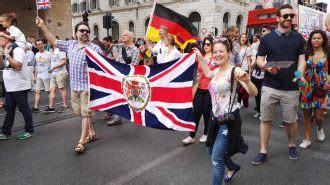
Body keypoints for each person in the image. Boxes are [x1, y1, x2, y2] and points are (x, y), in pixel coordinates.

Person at [193, 36, 257, 185]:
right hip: (215, 119)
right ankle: (233, 167)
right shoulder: (216, 71)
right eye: (215, 51)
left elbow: (253, 93)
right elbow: (208, 74)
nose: (217, 54)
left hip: (228, 120)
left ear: (228, 52)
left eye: (221, 51)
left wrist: (247, 80)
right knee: (210, 151)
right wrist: (202, 58)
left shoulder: (235, 71)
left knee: (216, 158)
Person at [36, 17, 102, 153]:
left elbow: (105, 65)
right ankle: (92, 132)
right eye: (82, 30)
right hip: (74, 86)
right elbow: (53, 41)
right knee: (80, 112)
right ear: (76, 33)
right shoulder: (70, 45)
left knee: (85, 114)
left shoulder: (94, 48)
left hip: (87, 88)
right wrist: (42, 26)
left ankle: (81, 141)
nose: (85, 33)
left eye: (87, 31)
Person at [251, 4, 306, 165]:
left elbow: (301, 60)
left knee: (291, 121)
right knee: (266, 120)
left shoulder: (298, 38)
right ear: (278, 18)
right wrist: (267, 67)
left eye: (291, 15)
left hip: (291, 87)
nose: (289, 18)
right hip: (270, 85)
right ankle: (263, 151)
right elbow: (259, 60)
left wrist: (299, 74)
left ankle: (291, 145)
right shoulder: (267, 39)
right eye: (285, 16)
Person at [0, 31, 34, 140]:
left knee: (24, 108)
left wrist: (6, 55)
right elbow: (3, 66)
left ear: (7, 39)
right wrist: (1, 56)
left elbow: (18, 66)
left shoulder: (18, 50)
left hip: (18, 85)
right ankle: (6, 132)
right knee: (9, 109)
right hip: (10, 86)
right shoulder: (7, 50)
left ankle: (29, 130)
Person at [182, 37, 216, 145]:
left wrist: (201, 58)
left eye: (208, 44)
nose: (205, 46)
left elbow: (210, 73)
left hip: (209, 89)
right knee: (196, 113)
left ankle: (206, 133)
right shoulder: (202, 56)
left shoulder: (215, 59)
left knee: (206, 112)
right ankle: (191, 136)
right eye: (204, 44)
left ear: (212, 46)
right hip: (199, 88)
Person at [299, 30, 328, 148]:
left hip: (322, 86)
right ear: (310, 40)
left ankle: (320, 128)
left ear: (323, 40)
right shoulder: (306, 53)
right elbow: (299, 69)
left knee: (319, 116)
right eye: (314, 38)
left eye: (319, 38)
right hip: (307, 86)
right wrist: (299, 77)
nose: (316, 40)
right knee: (306, 114)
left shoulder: (328, 53)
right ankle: (307, 139)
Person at [107, 30, 140, 126]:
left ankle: (139, 117)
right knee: (118, 96)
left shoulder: (135, 50)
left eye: (125, 35)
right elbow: (116, 61)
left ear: (131, 37)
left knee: (134, 99)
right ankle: (117, 118)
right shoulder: (120, 48)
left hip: (130, 78)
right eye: (122, 35)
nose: (122, 36)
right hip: (119, 77)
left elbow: (134, 65)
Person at [250, 27, 272, 119]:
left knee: (265, 95)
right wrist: (253, 64)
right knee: (257, 94)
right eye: (262, 33)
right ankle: (259, 110)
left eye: (265, 33)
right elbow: (253, 62)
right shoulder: (256, 45)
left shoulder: (273, 46)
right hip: (256, 74)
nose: (264, 35)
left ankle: (264, 112)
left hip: (267, 75)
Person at [43, 45, 69, 113]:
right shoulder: (51, 50)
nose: (48, 43)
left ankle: (65, 106)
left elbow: (64, 62)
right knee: (52, 89)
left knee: (62, 89)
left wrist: (53, 68)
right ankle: (51, 107)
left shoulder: (60, 50)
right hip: (53, 73)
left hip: (61, 73)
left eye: (50, 41)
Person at [31, 39, 52, 113]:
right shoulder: (36, 54)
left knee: (48, 91)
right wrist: (35, 76)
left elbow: (53, 63)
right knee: (37, 91)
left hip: (47, 75)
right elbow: (36, 65)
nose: (41, 45)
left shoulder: (49, 54)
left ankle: (50, 106)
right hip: (39, 75)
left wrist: (52, 70)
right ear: (36, 46)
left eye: (41, 44)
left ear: (44, 45)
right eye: (39, 44)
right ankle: (36, 107)